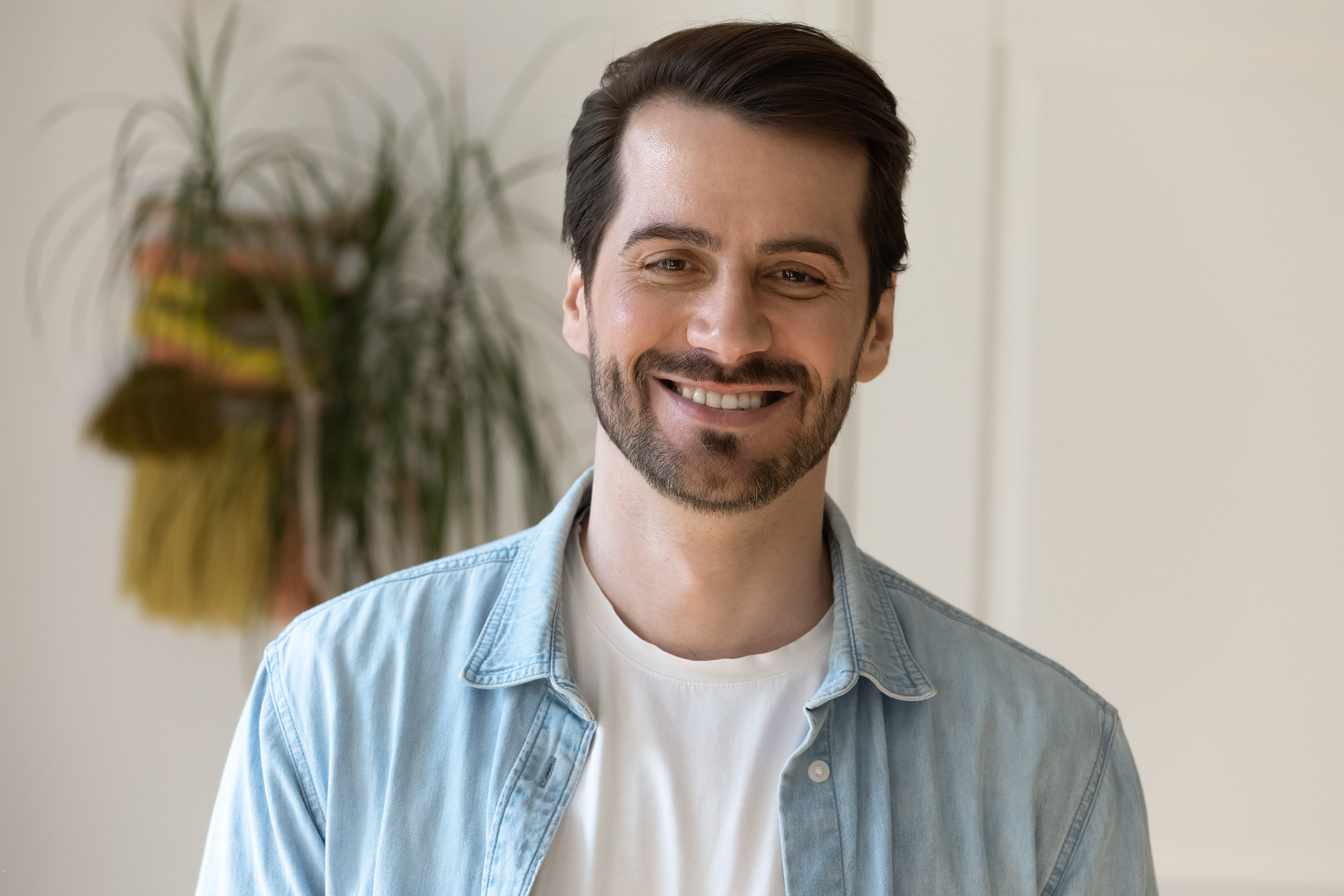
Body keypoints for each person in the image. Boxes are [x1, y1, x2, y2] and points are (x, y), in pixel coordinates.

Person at [196, 22, 1157, 895]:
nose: (729, 334)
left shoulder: (1051, 766)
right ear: (578, 296)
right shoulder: (335, 699)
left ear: (878, 326)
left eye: (796, 275)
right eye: (670, 262)